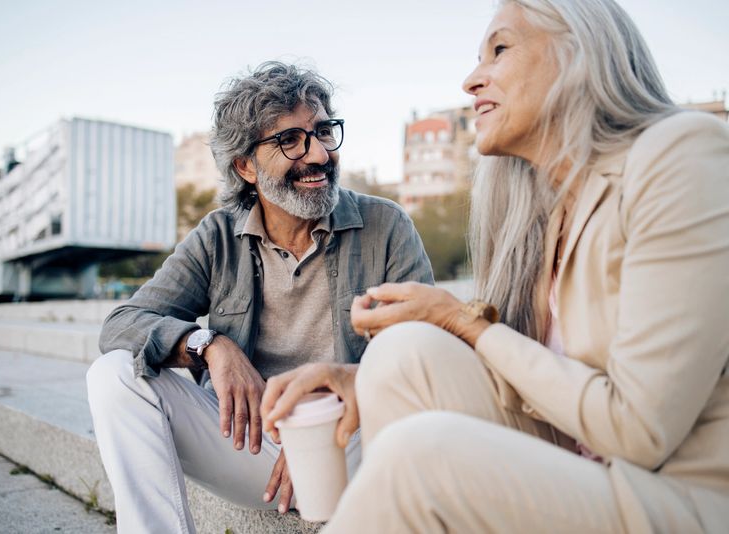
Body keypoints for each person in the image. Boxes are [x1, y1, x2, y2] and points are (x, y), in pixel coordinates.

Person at [261, 0, 729, 532]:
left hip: (671, 498)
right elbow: (530, 369)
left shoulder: (681, 152)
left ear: (575, 53)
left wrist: (462, 320)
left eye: (499, 50)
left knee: (422, 456)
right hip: (585, 463)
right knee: (399, 353)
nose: (471, 80)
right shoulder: (545, 210)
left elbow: (639, 431)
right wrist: (356, 378)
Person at [86, 61, 433, 533]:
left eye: (323, 132)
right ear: (245, 166)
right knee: (115, 374)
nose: (317, 154)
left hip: (353, 436)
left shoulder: (386, 225)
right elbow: (122, 324)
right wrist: (209, 345)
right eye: (289, 140)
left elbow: (424, 353)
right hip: (252, 445)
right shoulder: (217, 237)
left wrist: (323, 430)